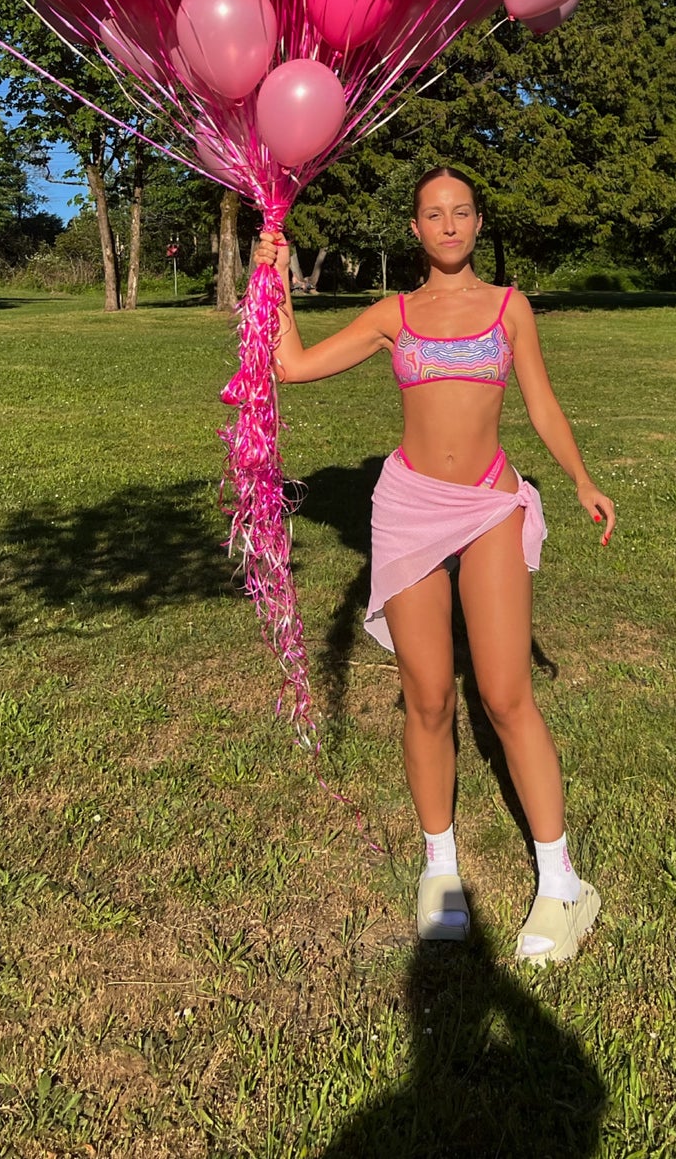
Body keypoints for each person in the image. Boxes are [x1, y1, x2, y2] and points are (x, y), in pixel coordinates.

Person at [253, 166, 616, 966]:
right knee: (424, 697)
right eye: (432, 214)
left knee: (503, 691)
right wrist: (274, 279)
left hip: (489, 503)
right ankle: (439, 869)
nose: (447, 225)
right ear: (413, 229)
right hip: (411, 505)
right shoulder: (396, 313)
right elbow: (294, 366)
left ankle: (563, 885)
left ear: (477, 223)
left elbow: (542, 402)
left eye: (460, 212)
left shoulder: (508, 307)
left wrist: (581, 477)